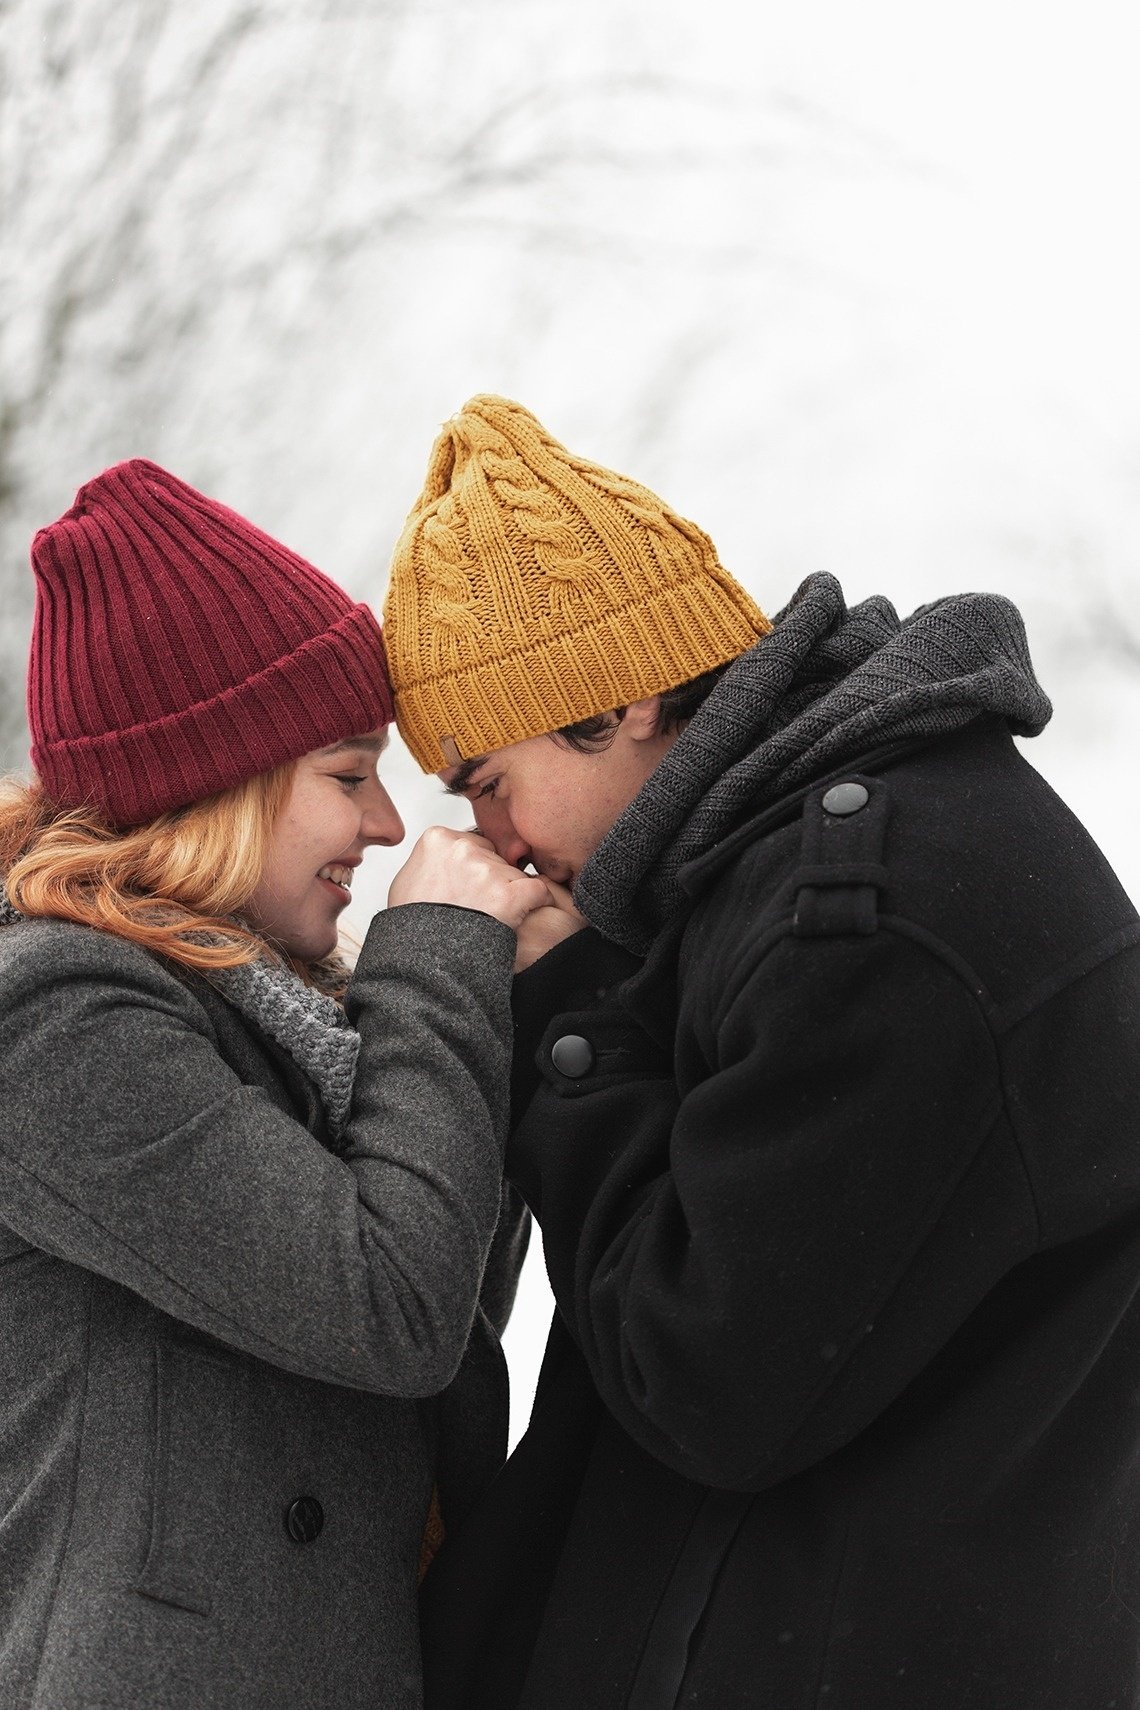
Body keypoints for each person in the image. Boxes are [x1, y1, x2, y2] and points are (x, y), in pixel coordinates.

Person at [383, 396, 1140, 1710]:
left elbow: (708, 1379)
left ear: (614, 704)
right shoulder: (789, 869)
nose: (492, 836)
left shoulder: (869, 918)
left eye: (483, 779)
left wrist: (567, 1018)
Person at [0, 458, 551, 1710]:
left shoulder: (294, 1016)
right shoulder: (49, 1016)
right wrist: (442, 964)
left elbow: (458, 1283)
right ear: (220, 785)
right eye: (348, 775)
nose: (388, 825)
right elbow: (394, 1306)